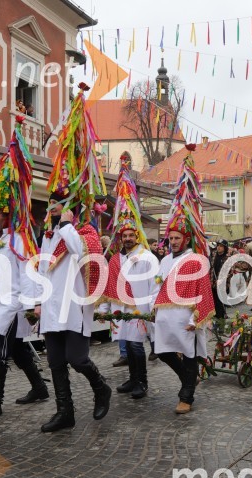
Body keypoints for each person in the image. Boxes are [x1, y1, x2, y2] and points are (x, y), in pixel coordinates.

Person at [36, 83, 110, 433]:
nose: (51, 209)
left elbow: (85, 255)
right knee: (54, 362)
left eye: (59, 204)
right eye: (51, 204)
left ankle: (101, 387)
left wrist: (67, 224)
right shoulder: (49, 237)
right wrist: (36, 302)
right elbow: (42, 270)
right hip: (52, 308)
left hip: (76, 308)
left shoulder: (84, 233)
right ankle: (65, 412)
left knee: (77, 359)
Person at [0, 118, 48, 421]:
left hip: (12, 307)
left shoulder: (18, 240)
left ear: (8, 214)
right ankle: (40, 388)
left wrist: (30, 306)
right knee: (16, 350)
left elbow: (27, 274)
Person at [151, 144, 215, 415]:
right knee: (163, 351)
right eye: (171, 238)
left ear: (186, 239)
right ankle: (188, 380)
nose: (174, 241)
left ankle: (186, 394)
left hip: (187, 318)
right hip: (166, 318)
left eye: (178, 238)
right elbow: (159, 286)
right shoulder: (165, 260)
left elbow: (202, 291)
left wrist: (194, 319)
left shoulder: (196, 260)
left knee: (189, 356)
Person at [98, 155, 157, 400]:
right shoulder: (115, 258)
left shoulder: (146, 256)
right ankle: (132, 378)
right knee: (126, 344)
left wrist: (149, 308)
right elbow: (109, 284)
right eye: (124, 236)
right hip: (121, 308)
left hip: (138, 308)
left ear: (137, 236)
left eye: (132, 236)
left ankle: (141, 382)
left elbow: (153, 283)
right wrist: (105, 307)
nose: (127, 239)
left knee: (135, 345)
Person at [210, 239, 228, 319]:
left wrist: (222, 279)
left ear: (225, 248)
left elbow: (229, 271)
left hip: (221, 284)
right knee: (213, 302)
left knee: (220, 302)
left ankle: (221, 319)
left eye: (221, 246)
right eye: (218, 245)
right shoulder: (213, 255)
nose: (219, 247)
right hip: (212, 282)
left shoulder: (227, 258)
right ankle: (214, 318)